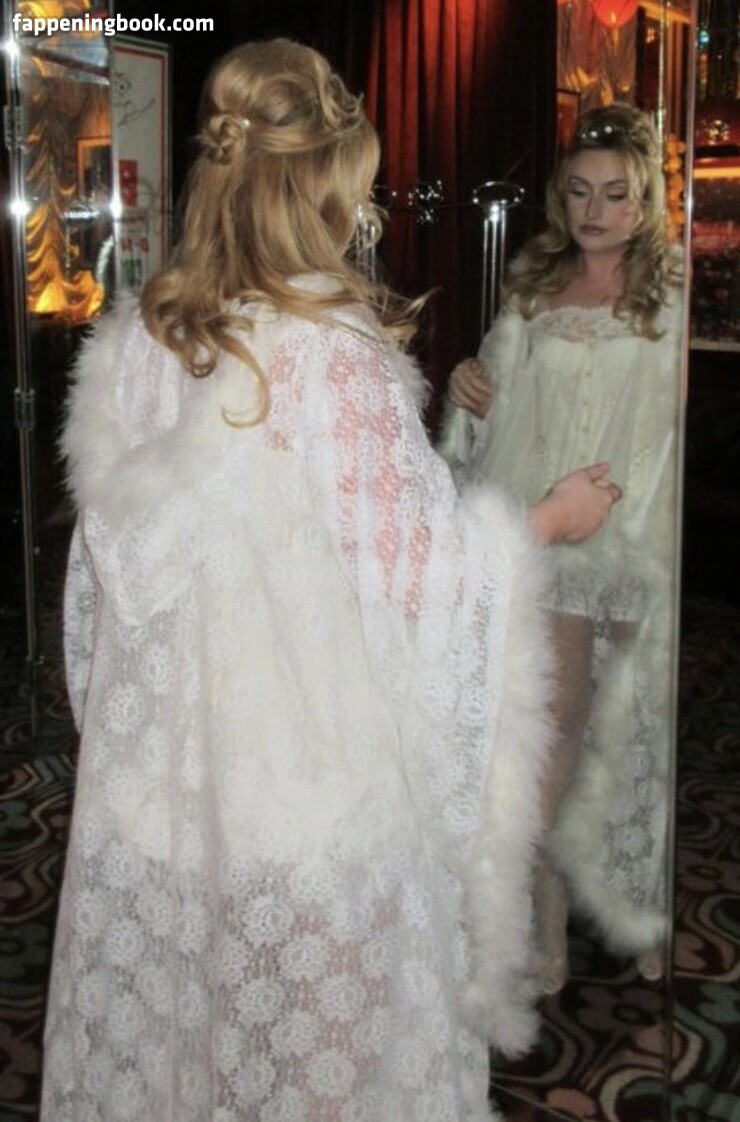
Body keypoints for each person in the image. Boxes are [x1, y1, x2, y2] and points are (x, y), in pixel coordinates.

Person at [41, 40, 619, 1122]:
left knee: (194, 1046)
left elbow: (99, 606)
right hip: (308, 792)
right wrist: (547, 520)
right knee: (325, 1076)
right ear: (328, 181)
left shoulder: (144, 339)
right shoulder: (328, 352)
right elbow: (422, 580)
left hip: (161, 790)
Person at [439, 103, 683, 994]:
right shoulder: (534, 287)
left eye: (615, 194)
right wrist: (468, 388)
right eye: (580, 192)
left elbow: (668, 434)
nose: (595, 211)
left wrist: (629, 530)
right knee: (549, 730)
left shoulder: (669, 297)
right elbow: (494, 408)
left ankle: (633, 908)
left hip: (634, 537)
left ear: (644, 202)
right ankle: (534, 924)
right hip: (549, 536)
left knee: (632, 731)